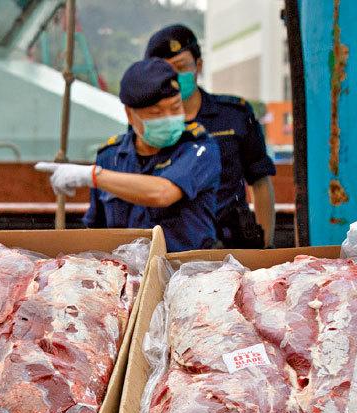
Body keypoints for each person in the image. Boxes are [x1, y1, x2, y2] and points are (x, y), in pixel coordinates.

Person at [36, 58, 221, 251]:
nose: (168, 118)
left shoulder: (199, 148)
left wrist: (92, 176)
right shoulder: (111, 157)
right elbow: (96, 230)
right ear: (130, 115)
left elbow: (162, 193)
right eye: (156, 113)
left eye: (176, 108)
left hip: (184, 272)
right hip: (128, 273)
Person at [146, 23, 277, 249]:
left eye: (181, 66)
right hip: (175, 247)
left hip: (233, 244)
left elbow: (260, 181)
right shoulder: (149, 125)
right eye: (164, 70)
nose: (174, 77)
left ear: (198, 65)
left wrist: (265, 246)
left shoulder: (234, 115)